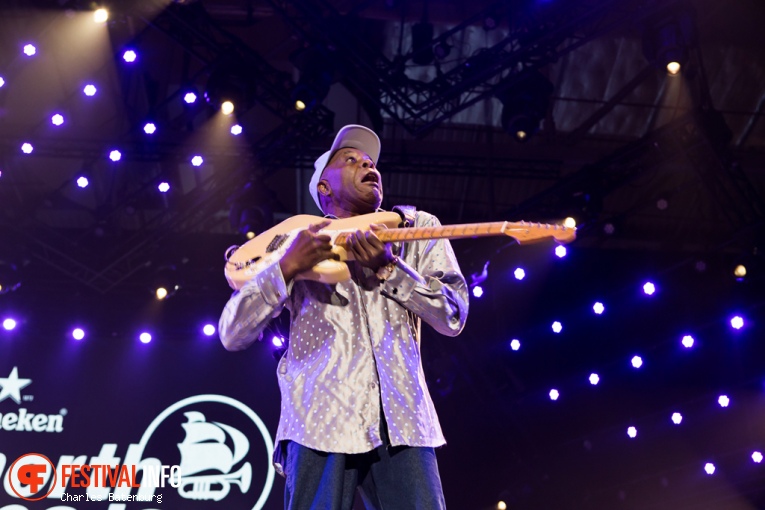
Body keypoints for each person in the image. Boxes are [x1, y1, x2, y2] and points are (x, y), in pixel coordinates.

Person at [218, 124, 469, 509]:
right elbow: (231, 332)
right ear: (324, 188)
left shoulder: (415, 228)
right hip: (318, 419)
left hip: (402, 420)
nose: (367, 164)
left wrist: (391, 269)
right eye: (349, 160)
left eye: (369, 161)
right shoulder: (297, 240)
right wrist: (286, 268)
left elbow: (453, 316)